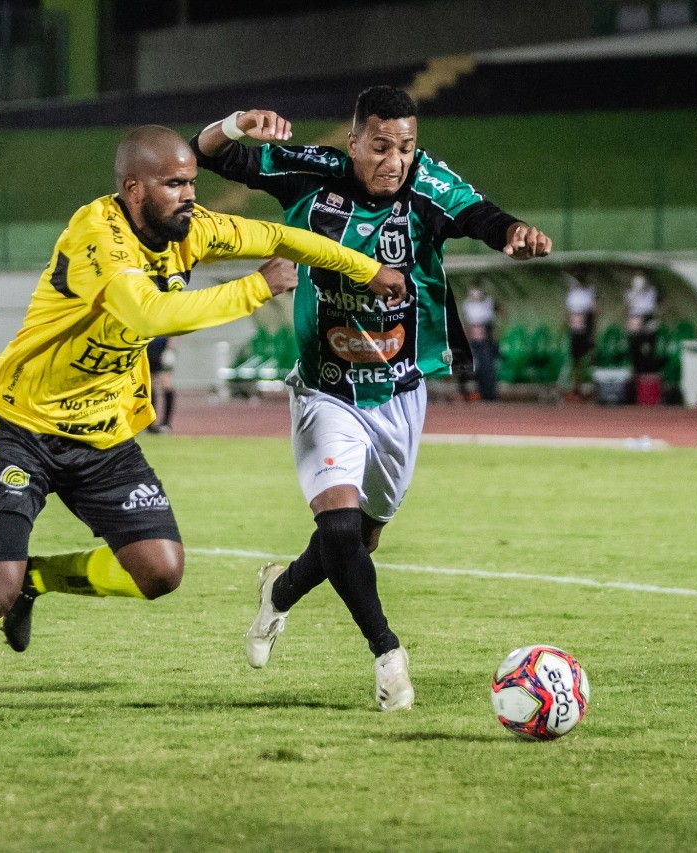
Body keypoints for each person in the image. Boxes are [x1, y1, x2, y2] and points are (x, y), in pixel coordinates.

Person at [0, 125, 403, 731]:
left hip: (104, 431)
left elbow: (280, 236)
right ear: (134, 189)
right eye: (174, 185)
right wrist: (255, 288)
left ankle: (39, 580)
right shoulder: (98, 235)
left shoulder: (192, 228)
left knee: (161, 572)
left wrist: (365, 268)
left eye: (191, 182)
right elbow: (147, 313)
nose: (190, 195)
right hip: (21, 424)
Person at [193, 86, 551, 711]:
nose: (395, 160)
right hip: (326, 390)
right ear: (354, 141)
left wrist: (513, 232)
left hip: (400, 395)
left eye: (406, 147)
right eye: (381, 146)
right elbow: (211, 155)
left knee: (358, 540)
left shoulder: (427, 185)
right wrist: (236, 124)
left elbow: (478, 214)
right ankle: (388, 656)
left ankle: (280, 591)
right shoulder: (313, 174)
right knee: (335, 525)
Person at [458, 284, 498, 402]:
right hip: (471, 343)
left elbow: (490, 326)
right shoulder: (467, 306)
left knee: (487, 368)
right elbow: (466, 324)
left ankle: (488, 395)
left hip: (484, 343)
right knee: (465, 368)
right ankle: (466, 394)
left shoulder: (487, 305)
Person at [565, 272, 597, 395]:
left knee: (591, 355)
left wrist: (592, 330)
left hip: (586, 327)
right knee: (575, 357)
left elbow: (594, 312)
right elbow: (568, 312)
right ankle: (576, 385)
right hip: (575, 328)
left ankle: (594, 384)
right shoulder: (572, 294)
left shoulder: (590, 292)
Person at [625, 270, 659, 375]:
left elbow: (656, 304)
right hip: (635, 317)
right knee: (635, 344)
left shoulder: (651, 291)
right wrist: (636, 294)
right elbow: (628, 307)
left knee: (649, 344)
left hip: (649, 317)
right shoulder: (630, 293)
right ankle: (636, 369)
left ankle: (649, 369)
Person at [145, 337, 176, 433]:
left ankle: (166, 423)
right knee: (150, 385)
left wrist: (170, 348)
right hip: (148, 347)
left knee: (166, 383)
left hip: (163, 347)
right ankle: (149, 423)